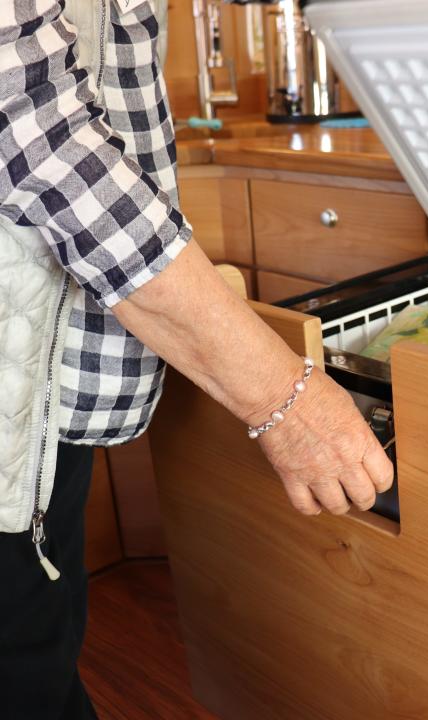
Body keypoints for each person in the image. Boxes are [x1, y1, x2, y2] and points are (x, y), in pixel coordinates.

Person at [0, 1, 393, 717]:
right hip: (12, 385)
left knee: (40, 645)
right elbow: (43, 143)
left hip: (39, 389)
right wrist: (286, 397)